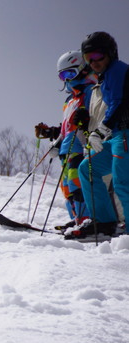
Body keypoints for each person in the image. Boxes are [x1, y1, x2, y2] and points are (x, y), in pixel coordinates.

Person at [67, 32, 129, 239]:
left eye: (98, 56)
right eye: (88, 58)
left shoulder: (118, 70)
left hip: (125, 133)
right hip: (117, 134)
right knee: (87, 169)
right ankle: (104, 222)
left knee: (122, 182)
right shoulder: (105, 78)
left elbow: (119, 103)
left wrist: (101, 129)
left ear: (111, 53)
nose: (93, 62)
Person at [35, 50, 97, 230]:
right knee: (66, 186)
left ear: (82, 69)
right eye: (62, 76)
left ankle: (87, 218)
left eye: (70, 73)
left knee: (78, 183)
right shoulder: (70, 100)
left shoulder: (90, 92)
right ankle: (76, 217)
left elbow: (92, 118)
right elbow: (66, 127)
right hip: (67, 147)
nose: (66, 80)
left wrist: (85, 120)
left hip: (81, 146)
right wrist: (54, 135)